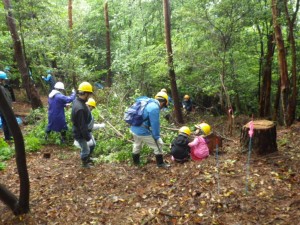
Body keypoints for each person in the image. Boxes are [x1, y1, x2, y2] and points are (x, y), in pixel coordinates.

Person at [130, 91, 170, 168]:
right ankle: (160, 164)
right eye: (164, 106)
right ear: (163, 103)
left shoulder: (148, 102)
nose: (162, 108)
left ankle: (136, 164)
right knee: (158, 144)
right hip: (141, 131)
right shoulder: (154, 108)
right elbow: (155, 124)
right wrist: (156, 137)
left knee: (137, 144)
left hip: (133, 128)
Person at [73, 98, 105, 163]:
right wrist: (100, 126)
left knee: (93, 144)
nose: (92, 109)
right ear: (88, 105)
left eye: (93, 107)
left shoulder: (88, 113)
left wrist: (100, 125)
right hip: (81, 134)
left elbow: (90, 126)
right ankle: (85, 163)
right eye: (91, 107)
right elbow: (85, 127)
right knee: (86, 149)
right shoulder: (83, 113)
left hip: (86, 133)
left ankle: (88, 157)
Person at [71, 82, 94, 168]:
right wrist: (87, 136)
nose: (90, 96)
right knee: (86, 149)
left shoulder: (77, 101)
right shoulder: (80, 108)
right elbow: (82, 125)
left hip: (79, 131)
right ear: (86, 93)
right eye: (89, 94)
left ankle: (87, 159)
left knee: (86, 148)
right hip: (79, 132)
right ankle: (84, 164)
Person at [0, 71, 13, 141]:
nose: (4, 81)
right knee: (8, 122)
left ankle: (7, 137)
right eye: (3, 80)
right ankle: (10, 137)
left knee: (4, 122)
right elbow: (6, 99)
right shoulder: (1, 88)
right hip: (5, 108)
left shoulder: (2, 87)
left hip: (1, 109)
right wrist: (10, 107)